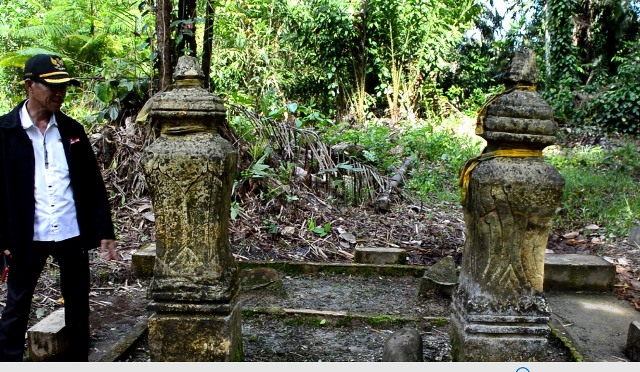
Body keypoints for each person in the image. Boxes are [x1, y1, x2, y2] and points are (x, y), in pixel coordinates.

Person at [0, 54, 118, 361]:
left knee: (78, 304)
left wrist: (105, 231)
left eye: (64, 86)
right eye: (52, 86)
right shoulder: (5, 131)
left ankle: (78, 360)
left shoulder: (71, 130)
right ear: (29, 85)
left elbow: (93, 185)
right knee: (17, 306)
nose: (60, 93)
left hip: (69, 231)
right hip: (28, 235)